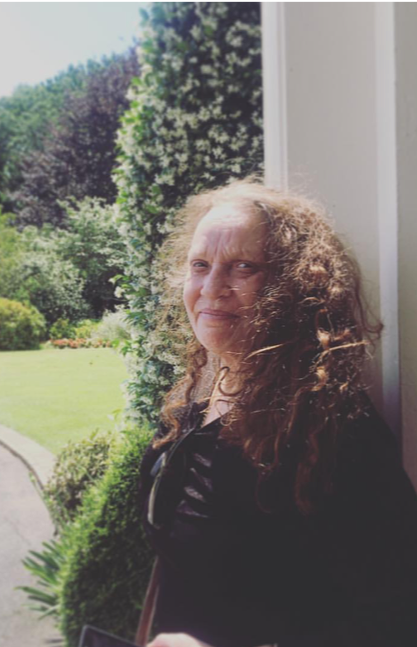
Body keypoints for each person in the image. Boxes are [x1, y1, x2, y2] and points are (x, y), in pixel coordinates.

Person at [136, 177, 417, 647]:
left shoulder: (332, 431)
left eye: (243, 267)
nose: (211, 287)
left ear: (295, 286)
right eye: (200, 265)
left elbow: (396, 615)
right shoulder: (198, 399)